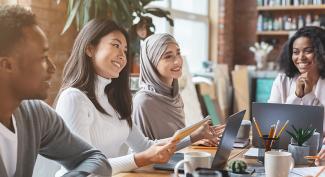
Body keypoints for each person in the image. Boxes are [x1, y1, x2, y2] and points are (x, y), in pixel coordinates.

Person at [0, 5, 111, 177]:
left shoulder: (36, 114)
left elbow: (94, 158)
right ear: (7, 65)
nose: (52, 68)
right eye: (43, 57)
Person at [132, 33, 224, 146]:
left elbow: (173, 138)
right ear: (151, 63)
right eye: (168, 56)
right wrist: (193, 138)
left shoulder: (174, 95)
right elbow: (143, 150)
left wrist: (196, 139)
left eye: (178, 53)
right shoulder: (143, 102)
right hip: (158, 164)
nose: (177, 61)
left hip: (177, 160)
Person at [268, 26, 325, 166]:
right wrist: (296, 96)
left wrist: (310, 94)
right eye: (295, 52)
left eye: (308, 51)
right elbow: (273, 126)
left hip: (319, 158)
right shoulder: (282, 81)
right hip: (283, 155)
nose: (300, 57)